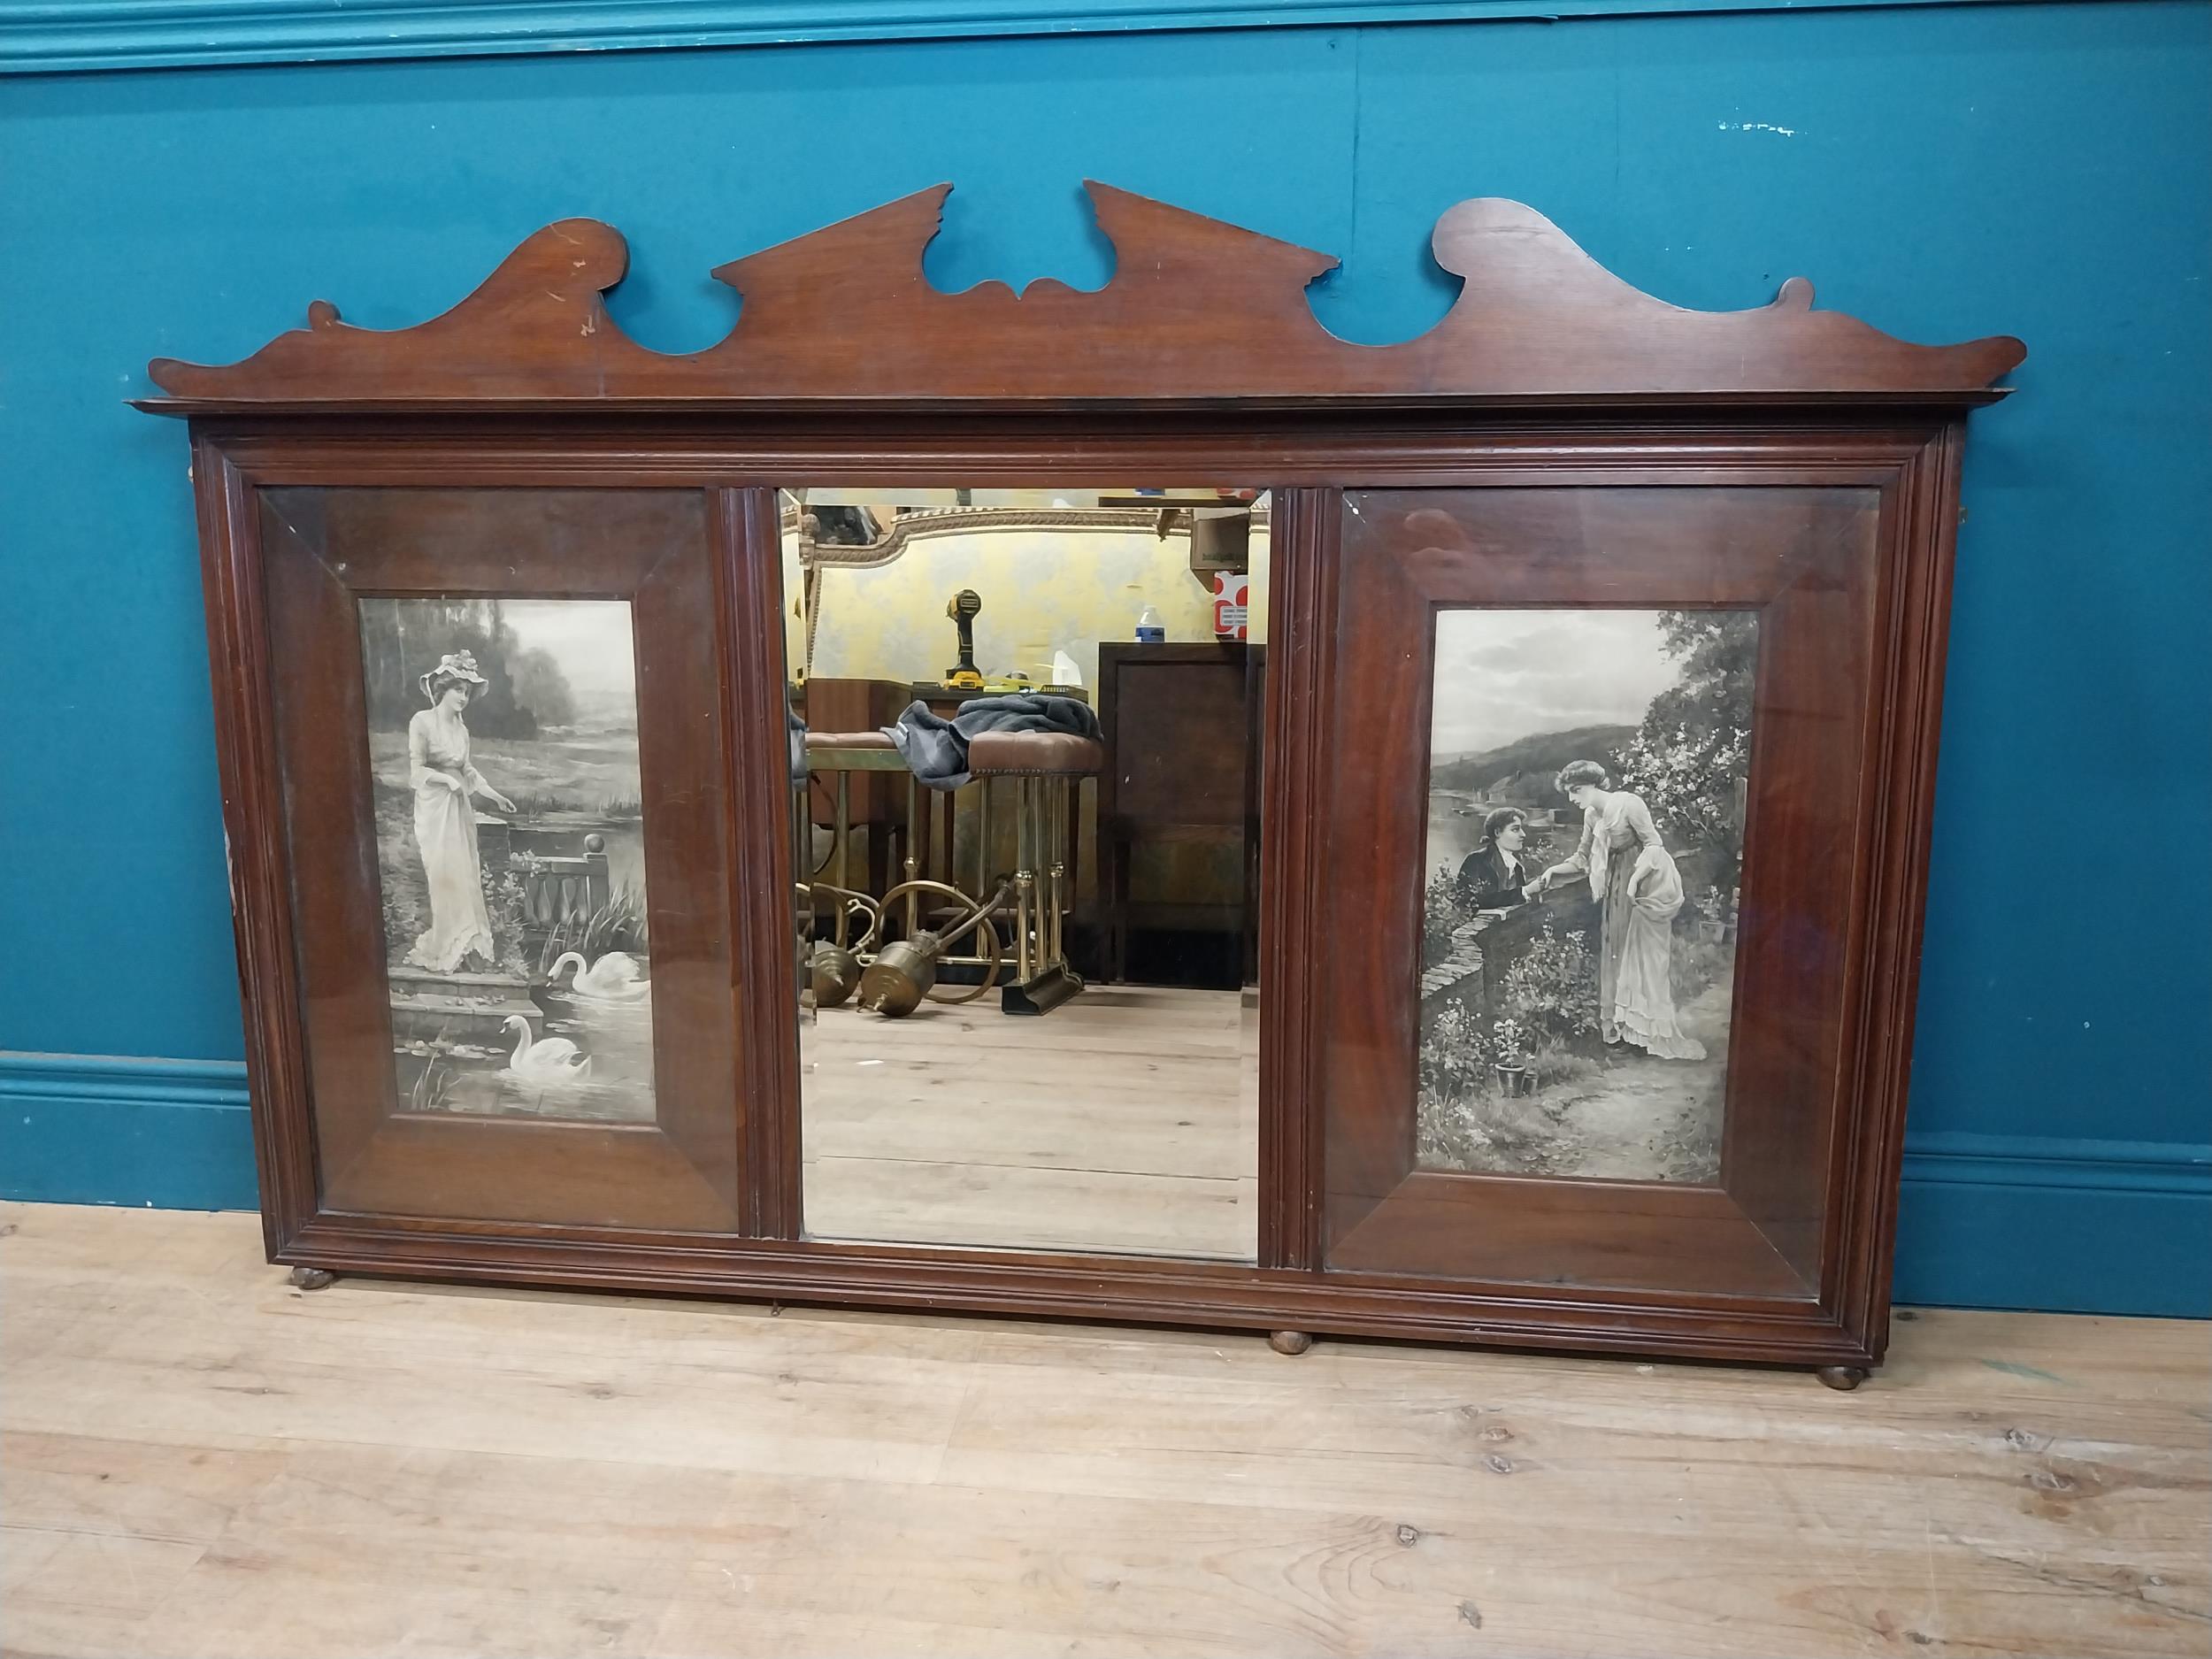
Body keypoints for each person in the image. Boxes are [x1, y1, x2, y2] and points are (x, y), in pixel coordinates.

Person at [1529, 759, 1706, 1060]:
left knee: (1636, 956)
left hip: (1639, 883)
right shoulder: (1589, 815)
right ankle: (1618, 1032)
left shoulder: (1629, 804)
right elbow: (1582, 859)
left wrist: (1635, 880)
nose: (1573, 798)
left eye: (1577, 790)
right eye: (1570, 792)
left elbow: (1654, 845)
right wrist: (1552, 873)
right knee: (1614, 953)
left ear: (1593, 785)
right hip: (1614, 886)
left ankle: (1643, 1032)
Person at [403, 651, 518, 973]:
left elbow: (468, 771)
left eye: (467, 692)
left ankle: (467, 947)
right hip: (434, 806)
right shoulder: (421, 721)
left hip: (459, 810)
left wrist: (495, 798)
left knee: (464, 874)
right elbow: (415, 772)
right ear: (443, 689)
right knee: (442, 875)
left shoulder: (463, 731)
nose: (464, 698)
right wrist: (444, 781)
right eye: (458, 690)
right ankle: (445, 946)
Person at [1455, 808, 1539, 910]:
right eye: (1515, 829)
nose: (1523, 834)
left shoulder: (1517, 868)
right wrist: (1525, 891)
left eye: (1521, 829)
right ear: (1497, 832)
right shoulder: (1476, 861)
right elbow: (1471, 901)